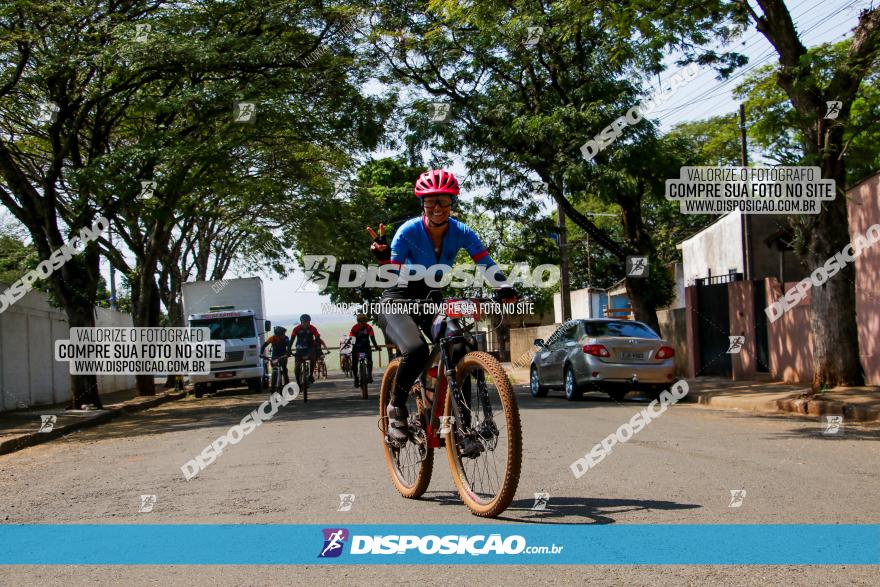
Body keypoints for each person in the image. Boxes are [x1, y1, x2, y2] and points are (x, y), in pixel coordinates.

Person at [367, 169, 517, 446]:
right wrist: (383, 258)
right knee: (415, 350)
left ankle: (461, 425)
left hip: (431, 298)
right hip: (398, 299)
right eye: (430, 201)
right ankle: (396, 408)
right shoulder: (408, 231)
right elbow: (393, 274)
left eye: (444, 202)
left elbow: (485, 261)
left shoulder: (462, 232)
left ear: (452, 203)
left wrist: (503, 288)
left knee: (459, 345)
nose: (437, 208)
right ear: (422, 204)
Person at [289, 314, 327, 384]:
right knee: (297, 366)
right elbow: (292, 340)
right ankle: (298, 382)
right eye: (304, 322)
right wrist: (288, 350)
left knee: (313, 358)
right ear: (301, 322)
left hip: (310, 348)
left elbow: (317, 338)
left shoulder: (313, 328)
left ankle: (310, 375)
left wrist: (319, 350)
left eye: (308, 322)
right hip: (299, 349)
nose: (306, 324)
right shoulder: (296, 329)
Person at [348, 314, 381, 387]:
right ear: (358, 321)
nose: (363, 323)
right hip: (358, 348)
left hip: (365, 347)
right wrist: (376, 347)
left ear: (366, 321)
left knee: (369, 361)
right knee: (354, 364)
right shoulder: (355, 328)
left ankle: (369, 375)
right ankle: (356, 378)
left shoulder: (368, 327)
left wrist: (376, 346)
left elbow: (372, 338)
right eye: (361, 321)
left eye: (364, 321)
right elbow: (352, 339)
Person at [260, 325, 290, 390]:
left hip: (283, 356)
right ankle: (273, 385)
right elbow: (264, 345)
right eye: (283, 334)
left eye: (284, 334)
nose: (284, 335)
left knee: (284, 369)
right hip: (274, 357)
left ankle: (287, 384)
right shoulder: (272, 338)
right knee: (274, 369)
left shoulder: (286, 338)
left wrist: (287, 354)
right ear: (277, 335)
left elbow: (289, 346)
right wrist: (261, 354)